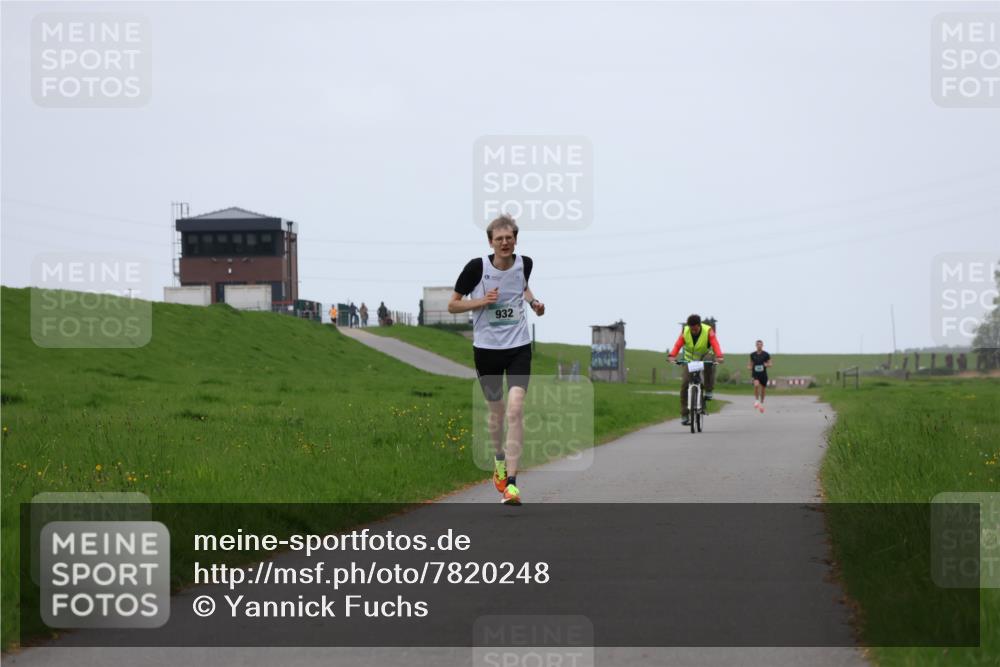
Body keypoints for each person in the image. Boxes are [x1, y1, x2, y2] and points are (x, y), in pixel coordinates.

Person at [448, 213, 544, 505]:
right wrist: (481, 302)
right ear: (491, 242)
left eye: (509, 238)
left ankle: (512, 484)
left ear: (515, 239)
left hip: (518, 347)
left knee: (515, 410)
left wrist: (534, 303)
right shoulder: (476, 268)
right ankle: (499, 462)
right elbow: (453, 304)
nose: (505, 242)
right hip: (487, 350)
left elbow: (522, 286)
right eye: (499, 238)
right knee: (497, 414)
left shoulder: (525, 263)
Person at [667, 314, 725, 426]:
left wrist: (719, 356)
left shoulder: (708, 330)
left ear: (699, 325)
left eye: (696, 328)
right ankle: (684, 414)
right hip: (690, 360)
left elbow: (715, 343)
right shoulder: (686, 331)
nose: (693, 331)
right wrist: (672, 355)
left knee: (709, 362)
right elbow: (678, 344)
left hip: (705, 357)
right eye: (692, 328)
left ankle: (708, 390)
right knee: (684, 385)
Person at [748, 339, 772, 413]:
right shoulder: (752, 355)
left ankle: (761, 403)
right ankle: (756, 401)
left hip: (763, 374)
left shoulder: (766, 354)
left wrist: (767, 365)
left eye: (760, 344)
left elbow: (770, 364)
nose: (759, 346)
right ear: (756, 345)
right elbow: (750, 364)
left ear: (762, 345)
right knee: (756, 385)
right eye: (758, 344)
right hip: (755, 374)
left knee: (763, 390)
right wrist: (749, 367)